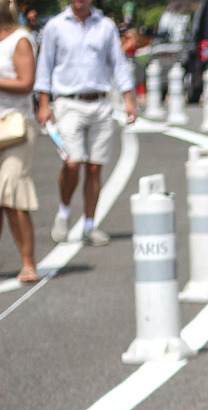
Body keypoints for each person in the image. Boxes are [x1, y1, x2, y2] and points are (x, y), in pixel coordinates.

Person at [34, 0, 136, 247]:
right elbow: (44, 67)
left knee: (94, 168)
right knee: (72, 162)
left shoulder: (105, 26)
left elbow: (118, 64)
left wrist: (129, 99)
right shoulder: (56, 26)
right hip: (68, 103)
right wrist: (44, 104)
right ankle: (65, 211)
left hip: (100, 101)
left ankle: (90, 224)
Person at [0, 0, 38, 282]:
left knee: (13, 192)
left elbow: (26, 82)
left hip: (15, 125)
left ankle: (28, 262)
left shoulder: (20, 39)